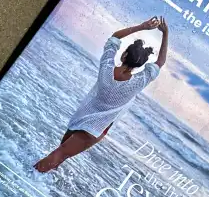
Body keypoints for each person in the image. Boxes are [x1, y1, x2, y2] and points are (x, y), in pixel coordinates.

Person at [34, 16, 169, 173]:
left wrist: (142, 26)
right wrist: (165, 34)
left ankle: (32, 177)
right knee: (60, 155)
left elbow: (115, 37)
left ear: (124, 55)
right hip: (97, 128)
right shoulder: (139, 82)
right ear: (140, 64)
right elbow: (160, 62)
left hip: (81, 117)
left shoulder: (106, 67)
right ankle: (31, 176)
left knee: (59, 153)